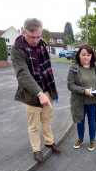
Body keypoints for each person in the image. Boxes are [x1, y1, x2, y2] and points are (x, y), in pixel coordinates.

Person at [11, 18, 60, 163]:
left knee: (46, 120)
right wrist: (39, 93)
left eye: (39, 36)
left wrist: (52, 92)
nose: (36, 40)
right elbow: (23, 75)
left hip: (47, 90)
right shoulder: (17, 49)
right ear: (23, 32)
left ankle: (49, 142)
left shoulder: (42, 45)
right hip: (32, 94)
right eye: (32, 37)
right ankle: (36, 149)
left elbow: (48, 70)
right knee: (34, 125)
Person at [67, 45, 96, 151]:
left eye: (88, 55)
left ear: (91, 56)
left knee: (92, 122)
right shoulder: (74, 68)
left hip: (94, 101)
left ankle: (92, 140)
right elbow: (70, 85)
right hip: (80, 102)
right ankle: (80, 139)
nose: (86, 57)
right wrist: (83, 90)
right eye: (83, 55)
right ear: (79, 55)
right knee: (80, 122)